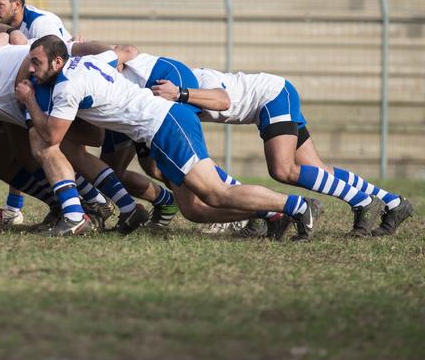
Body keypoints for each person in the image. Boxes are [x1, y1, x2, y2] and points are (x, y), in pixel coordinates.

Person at [18, 36, 322, 239]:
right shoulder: (89, 62)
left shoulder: (67, 86)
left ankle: (298, 206)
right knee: (194, 209)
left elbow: (51, 136)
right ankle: (273, 212)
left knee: (215, 193)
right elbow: (122, 51)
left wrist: (30, 99)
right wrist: (81, 47)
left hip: (164, 123)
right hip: (161, 125)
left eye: (36, 62)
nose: (31, 69)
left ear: (57, 62)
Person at [152, 67, 415, 237]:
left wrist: (181, 93)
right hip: (273, 98)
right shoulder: (174, 94)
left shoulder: (190, 83)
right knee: (318, 169)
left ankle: (364, 202)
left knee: (283, 169)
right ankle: (393, 202)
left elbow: (224, 100)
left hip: (273, 96)